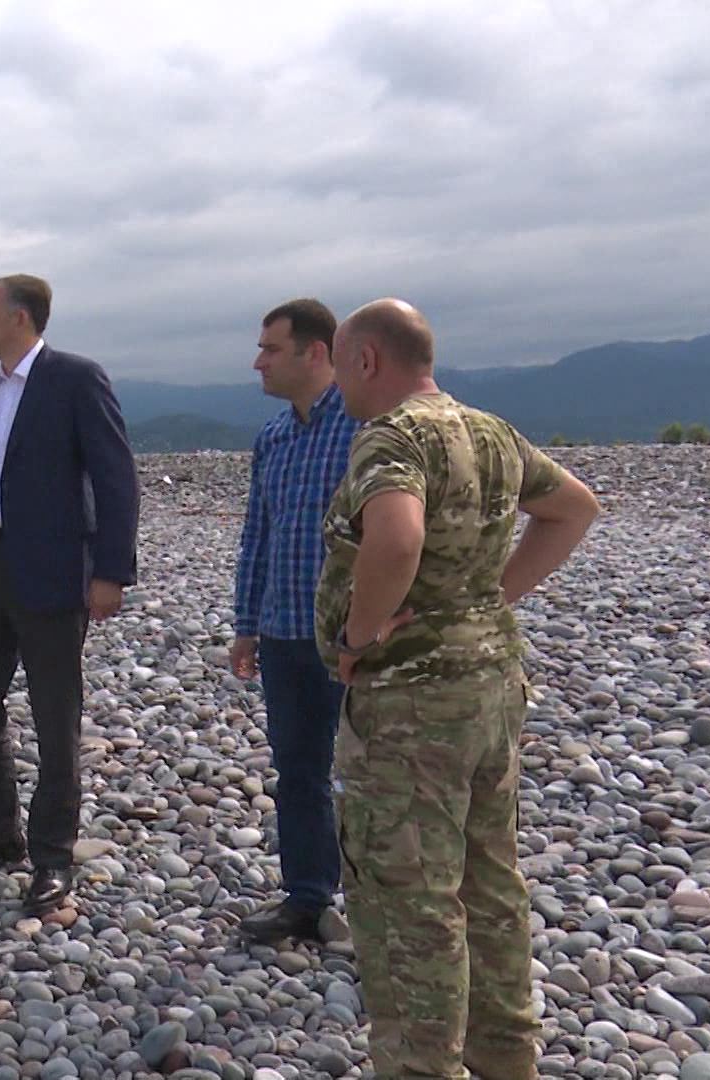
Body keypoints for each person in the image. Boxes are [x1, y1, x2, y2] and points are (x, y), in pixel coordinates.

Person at [317, 299, 598, 1080]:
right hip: (489, 689)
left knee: (410, 903)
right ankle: (507, 1060)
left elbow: (398, 533)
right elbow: (573, 508)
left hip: (411, 706)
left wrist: (359, 635)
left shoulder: (394, 436)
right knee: (489, 886)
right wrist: (488, 599)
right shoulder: (490, 432)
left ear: (367, 360)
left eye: (340, 367)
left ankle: (423, 1066)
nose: (339, 386)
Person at [0, 274, 140, 916]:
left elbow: (116, 476)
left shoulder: (76, 379)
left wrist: (111, 571)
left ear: (19, 318)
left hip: (55, 571)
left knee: (55, 715)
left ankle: (53, 855)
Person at [229, 299, 361, 944]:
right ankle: (308, 897)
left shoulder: (368, 430)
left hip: (358, 636)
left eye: (271, 349)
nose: (258, 362)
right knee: (300, 773)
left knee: (374, 774)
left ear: (316, 352)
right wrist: (246, 623)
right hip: (284, 631)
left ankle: (385, 909)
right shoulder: (274, 437)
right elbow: (259, 535)